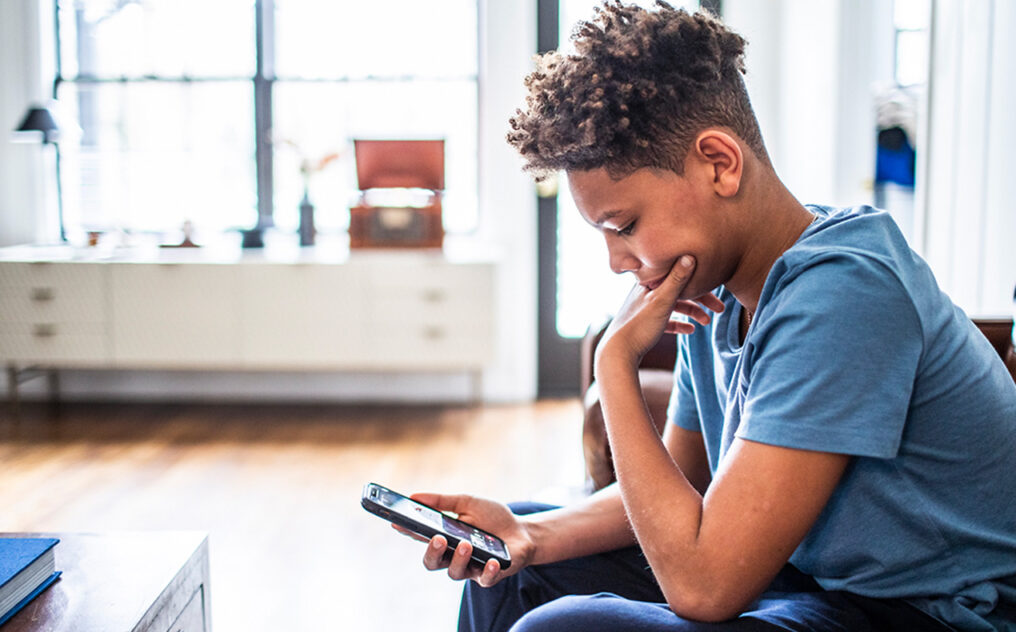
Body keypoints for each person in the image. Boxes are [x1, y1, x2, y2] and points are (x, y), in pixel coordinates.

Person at [404, 3, 1016, 630]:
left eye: (625, 226)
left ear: (719, 163)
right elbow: (682, 490)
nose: (618, 261)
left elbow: (705, 586)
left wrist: (615, 362)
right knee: (509, 568)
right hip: (811, 580)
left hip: (930, 612)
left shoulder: (846, 292)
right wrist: (528, 533)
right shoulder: (712, 289)